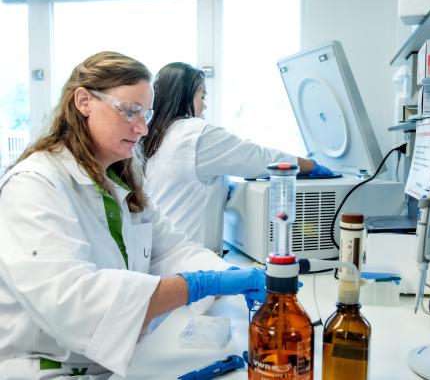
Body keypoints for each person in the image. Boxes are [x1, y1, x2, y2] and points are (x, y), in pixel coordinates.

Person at [0, 51, 267, 380]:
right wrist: (197, 285)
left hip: (114, 362)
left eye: (147, 114)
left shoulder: (119, 179)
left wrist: (232, 277)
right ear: (84, 100)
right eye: (130, 112)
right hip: (49, 368)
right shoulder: (34, 185)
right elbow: (72, 300)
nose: (142, 128)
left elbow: (170, 249)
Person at [143, 62, 334, 255]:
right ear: (183, 97)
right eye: (202, 96)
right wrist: (310, 165)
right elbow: (260, 158)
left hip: (158, 253)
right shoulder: (197, 134)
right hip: (188, 259)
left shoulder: (155, 134)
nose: (205, 105)